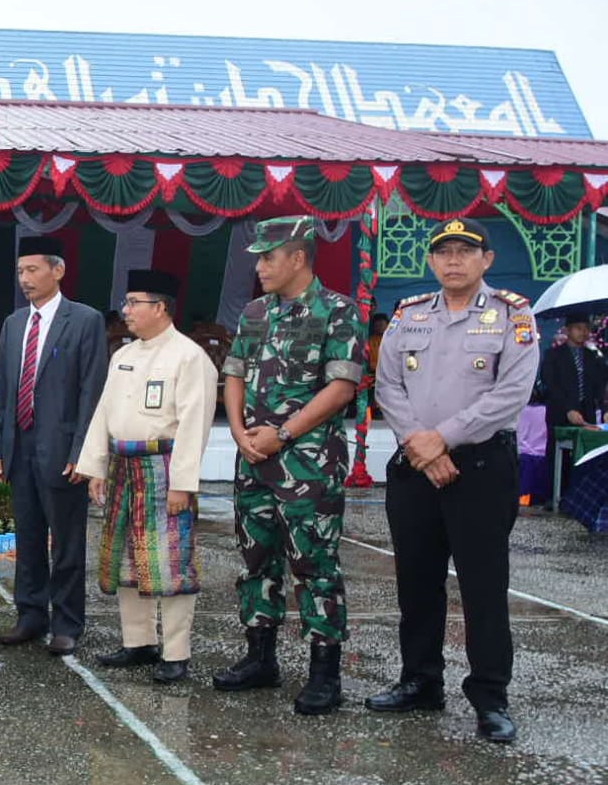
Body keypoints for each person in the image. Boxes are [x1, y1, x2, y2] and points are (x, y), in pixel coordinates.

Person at [367, 217, 539, 743]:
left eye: (466, 251)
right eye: (444, 252)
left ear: (486, 259)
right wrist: (420, 444)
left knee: (483, 586)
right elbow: (387, 385)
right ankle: (420, 681)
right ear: (431, 261)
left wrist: (440, 438)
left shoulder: (513, 315)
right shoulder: (408, 315)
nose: (454, 261)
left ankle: (490, 697)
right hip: (415, 468)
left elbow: (511, 393)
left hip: (482, 468)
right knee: (416, 581)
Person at [214, 215, 366, 715]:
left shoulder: (337, 311)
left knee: (314, 564)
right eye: (258, 257)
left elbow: (341, 387)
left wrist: (281, 434)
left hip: (308, 465)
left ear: (298, 257)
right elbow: (233, 371)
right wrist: (238, 432)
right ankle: (261, 657)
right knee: (257, 558)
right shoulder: (256, 312)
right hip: (254, 459)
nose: (259, 267)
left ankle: (325, 673)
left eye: (268, 257)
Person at [75, 271, 218, 682]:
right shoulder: (123, 354)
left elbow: (195, 426)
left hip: (164, 468)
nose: (126, 310)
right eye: (126, 302)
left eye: (134, 302)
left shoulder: (189, 357)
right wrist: (95, 467)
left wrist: (182, 485)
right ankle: (137, 643)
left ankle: (175, 653)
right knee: (125, 556)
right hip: (122, 465)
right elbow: (104, 412)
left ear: (160, 308)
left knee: (168, 560)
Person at [0, 236, 107, 656]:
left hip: (62, 449)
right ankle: (30, 615)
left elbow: (92, 390)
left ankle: (68, 623)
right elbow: (4, 388)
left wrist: (83, 453)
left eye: (33, 270)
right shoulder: (14, 323)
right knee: (30, 538)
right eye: (20, 272)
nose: (25, 279)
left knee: (67, 541)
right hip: (20, 447)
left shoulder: (85, 320)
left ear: (57, 271)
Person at [539, 312, 607, 501]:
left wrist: (605, 409)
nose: (583, 333)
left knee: (587, 455)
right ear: (568, 331)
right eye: (579, 328)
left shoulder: (593, 357)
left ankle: (581, 497)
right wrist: (568, 409)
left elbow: (600, 386)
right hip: (560, 413)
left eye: (586, 329)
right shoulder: (553, 355)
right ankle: (554, 497)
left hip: (587, 413)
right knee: (557, 454)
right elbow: (551, 385)